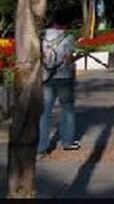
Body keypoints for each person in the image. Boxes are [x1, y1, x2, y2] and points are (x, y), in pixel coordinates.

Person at [38, 13, 80, 155]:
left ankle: (41, 146)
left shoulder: (42, 37)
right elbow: (68, 60)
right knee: (67, 109)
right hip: (64, 77)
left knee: (45, 112)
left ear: (53, 20)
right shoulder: (68, 37)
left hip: (46, 78)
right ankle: (68, 142)